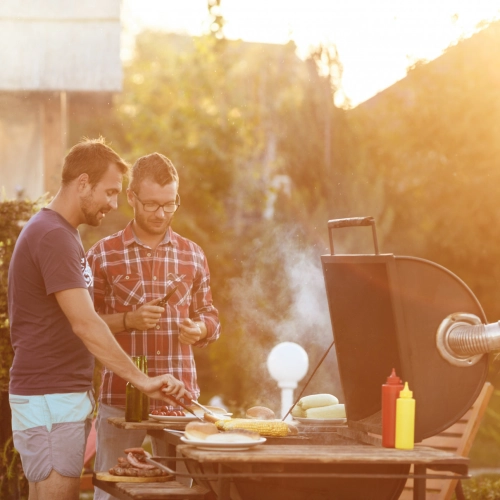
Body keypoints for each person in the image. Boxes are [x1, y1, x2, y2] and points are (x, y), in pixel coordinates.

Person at [8, 139, 190, 500]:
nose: (112, 203)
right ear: (82, 183)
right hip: (51, 398)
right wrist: (142, 379)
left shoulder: (61, 234)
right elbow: (85, 323)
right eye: (108, 192)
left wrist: (129, 321)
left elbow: (80, 319)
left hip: (54, 397)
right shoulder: (54, 236)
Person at [86, 152, 221, 500]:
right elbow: (84, 324)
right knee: (112, 492)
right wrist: (129, 320)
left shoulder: (193, 254)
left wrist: (201, 329)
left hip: (179, 400)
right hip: (121, 397)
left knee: (180, 493)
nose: (161, 214)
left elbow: (211, 314)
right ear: (131, 198)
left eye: (169, 204)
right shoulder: (102, 254)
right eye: (151, 205)